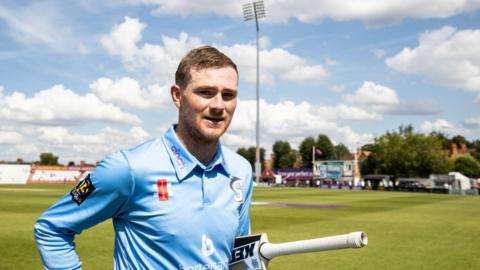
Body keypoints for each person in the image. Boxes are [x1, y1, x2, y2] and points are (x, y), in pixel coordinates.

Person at [34, 46, 253, 270]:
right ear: (177, 96)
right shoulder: (127, 169)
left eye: (228, 95)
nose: (218, 105)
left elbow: (239, 251)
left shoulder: (241, 170)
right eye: (205, 92)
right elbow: (52, 228)